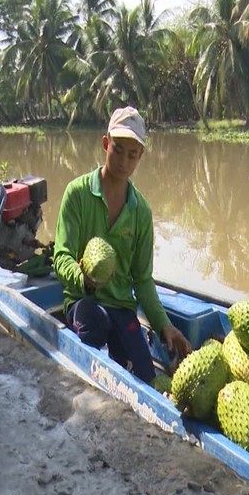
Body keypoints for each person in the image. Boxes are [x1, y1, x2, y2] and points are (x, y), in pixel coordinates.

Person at [53, 106, 192, 384]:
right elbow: (61, 255)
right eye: (117, 150)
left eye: (132, 154)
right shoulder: (77, 193)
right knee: (95, 324)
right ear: (106, 144)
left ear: (141, 157)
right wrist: (84, 279)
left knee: (144, 375)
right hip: (83, 300)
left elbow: (141, 279)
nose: (124, 161)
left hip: (121, 305)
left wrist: (164, 325)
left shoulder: (141, 211)